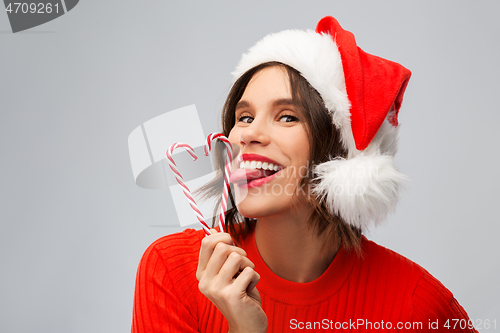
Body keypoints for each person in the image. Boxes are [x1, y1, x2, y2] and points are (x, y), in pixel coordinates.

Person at [132, 16, 477, 332]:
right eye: (245, 117)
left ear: (340, 153)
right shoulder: (173, 273)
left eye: (286, 117)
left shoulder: (417, 307)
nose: (249, 134)